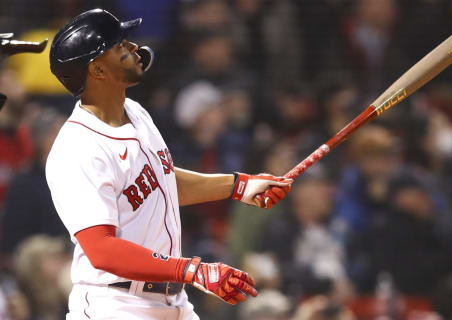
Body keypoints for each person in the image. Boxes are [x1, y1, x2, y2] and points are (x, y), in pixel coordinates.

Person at [46, 9, 292, 320]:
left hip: (171, 301)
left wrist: (239, 185)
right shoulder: (77, 148)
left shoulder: (134, 111)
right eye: (120, 46)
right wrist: (193, 270)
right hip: (116, 305)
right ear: (97, 69)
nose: (134, 48)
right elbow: (101, 249)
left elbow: (161, 180)